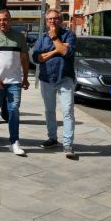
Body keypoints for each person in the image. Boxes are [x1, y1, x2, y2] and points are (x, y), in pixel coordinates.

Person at [0, 10, 29, 156]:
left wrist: (25, 78)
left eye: (5, 19)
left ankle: (14, 142)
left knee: (14, 110)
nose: (3, 22)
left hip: (14, 81)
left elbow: (25, 58)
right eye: (0, 20)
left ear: (10, 20)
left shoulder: (19, 37)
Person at [31, 9, 77, 158]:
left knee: (67, 111)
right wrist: (56, 51)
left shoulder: (69, 35)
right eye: (49, 19)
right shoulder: (42, 38)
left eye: (55, 18)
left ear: (61, 20)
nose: (52, 21)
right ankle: (52, 138)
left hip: (65, 78)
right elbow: (37, 58)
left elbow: (67, 53)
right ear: (46, 22)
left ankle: (68, 144)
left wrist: (55, 38)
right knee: (49, 110)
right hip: (46, 79)